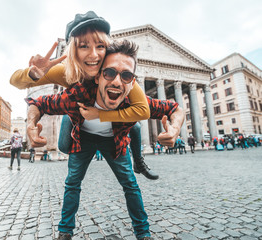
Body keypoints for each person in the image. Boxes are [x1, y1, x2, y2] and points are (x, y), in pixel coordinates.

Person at [26, 39, 184, 240]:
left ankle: (144, 234)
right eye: (110, 72)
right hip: (81, 138)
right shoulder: (78, 94)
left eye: (126, 76)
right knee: (72, 183)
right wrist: (31, 124)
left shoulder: (134, 101)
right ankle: (65, 232)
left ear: (132, 81)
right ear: (99, 75)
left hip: (114, 141)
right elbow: (37, 103)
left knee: (130, 184)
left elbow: (175, 109)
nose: (117, 81)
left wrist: (175, 128)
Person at [10, 11, 158, 180]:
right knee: (65, 146)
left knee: (135, 125)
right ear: (74, 51)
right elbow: (15, 82)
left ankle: (138, 161)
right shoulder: (66, 71)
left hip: (106, 109)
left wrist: (101, 115)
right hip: (79, 109)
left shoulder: (117, 71)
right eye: (83, 46)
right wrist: (34, 74)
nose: (93, 55)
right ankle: (73, 118)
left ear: (107, 48)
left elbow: (143, 111)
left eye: (100, 46)